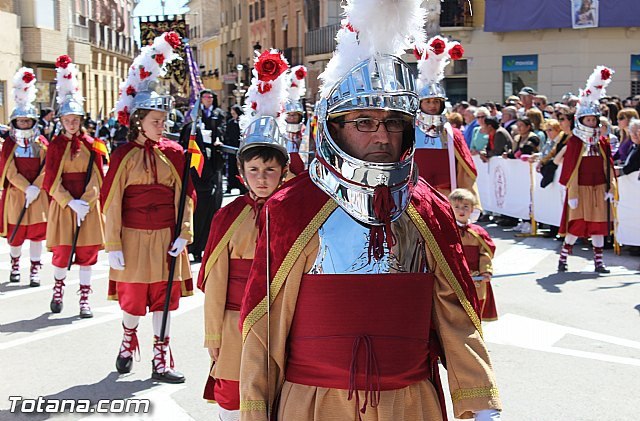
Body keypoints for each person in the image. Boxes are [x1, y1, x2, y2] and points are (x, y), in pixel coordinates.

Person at [238, 2, 502, 420]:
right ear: (335, 127)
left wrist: (480, 404)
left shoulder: (428, 208)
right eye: (364, 121)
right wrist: (251, 409)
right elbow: (263, 327)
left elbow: (456, 317)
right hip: (315, 404)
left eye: (393, 121)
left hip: (410, 403)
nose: (381, 133)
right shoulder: (291, 208)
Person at [199, 50, 291, 421]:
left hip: (285, 326)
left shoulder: (299, 216)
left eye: (271, 168)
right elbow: (216, 282)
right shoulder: (228, 217)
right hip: (236, 325)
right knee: (233, 398)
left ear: (285, 170)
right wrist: (214, 337)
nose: (262, 177)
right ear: (240, 170)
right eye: (254, 168)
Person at [104, 31, 193, 383]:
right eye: (155, 120)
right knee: (131, 299)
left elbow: (186, 196)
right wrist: (112, 245)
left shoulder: (174, 152)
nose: (162, 125)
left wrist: (185, 233)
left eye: (163, 120)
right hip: (132, 237)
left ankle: (161, 358)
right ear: (138, 120)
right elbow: (110, 201)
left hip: (166, 239)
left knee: (164, 299)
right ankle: (128, 342)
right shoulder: (124, 156)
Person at [43, 55, 105, 317]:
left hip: (87, 206)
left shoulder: (93, 144)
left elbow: (99, 177)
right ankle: (58, 290)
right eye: (67, 119)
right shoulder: (55, 146)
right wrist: (69, 201)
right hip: (64, 205)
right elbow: (50, 179)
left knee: (87, 252)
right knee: (62, 252)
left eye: (75, 119)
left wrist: (87, 201)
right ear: (61, 120)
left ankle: (84, 299)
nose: (72, 123)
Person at [558, 66, 617, 273]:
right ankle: (563, 258)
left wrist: (611, 187)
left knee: (599, 226)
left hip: (599, 187)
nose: (591, 122)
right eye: (588, 119)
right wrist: (571, 192)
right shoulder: (575, 142)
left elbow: (608, 164)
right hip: (580, 188)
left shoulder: (602, 141)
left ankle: (599, 262)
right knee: (577, 225)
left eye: (593, 120)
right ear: (581, 120)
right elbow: (570, 167)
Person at [414, 36, 481, 213]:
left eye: (436, 102)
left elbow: (466, 170)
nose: (432, 106)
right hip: (415, 195)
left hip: (447, 196)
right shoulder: (408, 132)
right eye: (428, 102)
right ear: (420, 104)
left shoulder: (452, 134)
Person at [0, 68, 48, 286]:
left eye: (28, 121)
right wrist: (24, 187)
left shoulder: (41, 144)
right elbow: (8, 170)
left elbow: (48, 167)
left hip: (37, 196)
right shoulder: (9, 145)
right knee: (16, 234)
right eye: (20, 121)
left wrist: (36, 187)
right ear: (14, 123)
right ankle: (15, 265)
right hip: (17, 195)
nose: (24, 125)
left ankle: (35, 269)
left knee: (37, 234)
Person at [179, 90, 225, 262]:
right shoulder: (190, 129)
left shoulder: (217, 115)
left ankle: (202, 246)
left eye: (211, 97)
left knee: (211, 208)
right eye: (206, 97)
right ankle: (193, 245)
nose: (209, 99)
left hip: (211, 166)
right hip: (197, 173)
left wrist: (217, 141)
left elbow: (222, 131)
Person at [449, 188, 497, 321]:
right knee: (456, 310)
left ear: (472, 209)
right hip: (455, 278)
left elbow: (485, 254)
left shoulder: (478, 232)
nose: (461, 210)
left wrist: (485, 272)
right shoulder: (447, 231)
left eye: (465, 206)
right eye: (456, 207)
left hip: (476, 279)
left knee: (476, 310)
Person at [283, 65, 308, 175]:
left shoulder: (305, 134)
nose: (292, 117)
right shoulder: (280, 134)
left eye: (295, 115)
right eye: (290, 114)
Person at [224, 105, 247, 194]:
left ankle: (241, 187)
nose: (233, 115)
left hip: (240, 147)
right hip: (231, 148)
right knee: (231, 168)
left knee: (240, 168)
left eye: (234, 113)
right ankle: (230, 185)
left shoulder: (242, 122)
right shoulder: (230, 122)